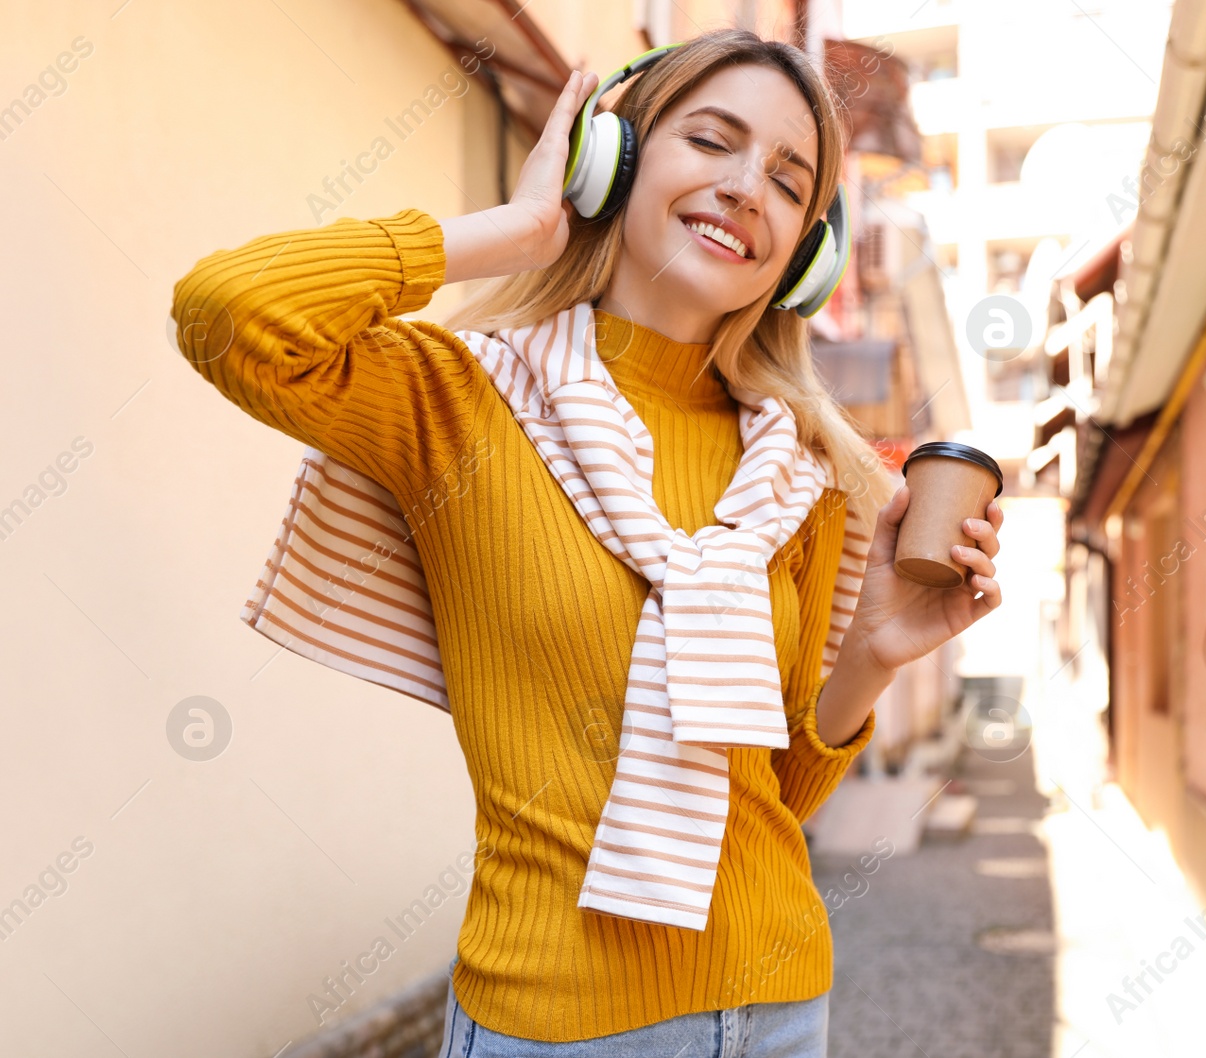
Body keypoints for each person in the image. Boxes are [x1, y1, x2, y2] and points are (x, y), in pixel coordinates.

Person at [171, 28, 1003, 1058]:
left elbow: (773, 793)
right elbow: (229, 313)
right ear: (610, 162)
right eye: (711, 141)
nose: (748, 188)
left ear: (805, 253)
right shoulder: (461, 399)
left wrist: (871, 651)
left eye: (790, 183)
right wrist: (519, 229)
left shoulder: (797, 473)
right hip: (555, 1020)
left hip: (781, 1004)